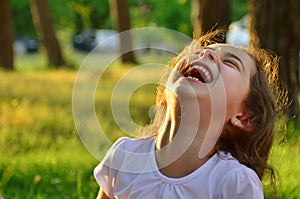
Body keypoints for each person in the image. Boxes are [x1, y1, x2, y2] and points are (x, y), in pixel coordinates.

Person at [93, 30, 287, 199]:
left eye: (230, 62)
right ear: (163, 95)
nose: (205, 54)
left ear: (244, 117)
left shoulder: (233, 181)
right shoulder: (124, 156)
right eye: (199, 52)